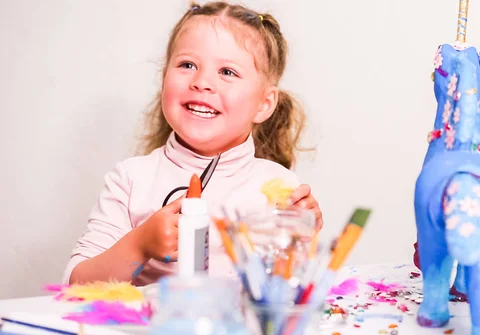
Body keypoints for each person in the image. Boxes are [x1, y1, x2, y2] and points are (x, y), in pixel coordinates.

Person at [63, 1, 322, 286]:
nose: (202, 82)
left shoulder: (279, 187)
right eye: (188, 65)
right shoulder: (130, 179)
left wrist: (301, 234)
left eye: (227, 72)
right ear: (164, 80)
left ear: (264, 104)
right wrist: (139, 245)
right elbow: (76, 286)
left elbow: (291, 291)